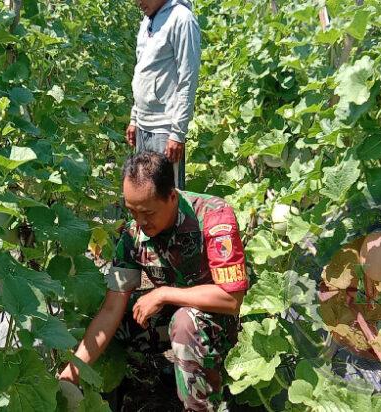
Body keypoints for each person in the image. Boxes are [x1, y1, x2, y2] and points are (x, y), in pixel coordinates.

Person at [60, 152, 248, 411]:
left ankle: (203, 403)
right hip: (174, 317)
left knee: (185, 323)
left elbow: (232, 299)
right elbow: (111, 310)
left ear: (172, 196)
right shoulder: (133, 235)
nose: (140, 221)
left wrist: (163, 294)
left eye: (147, 212)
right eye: (132, 211)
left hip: (217, 323)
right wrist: (72, 372)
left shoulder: (213, 216)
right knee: (121, 319)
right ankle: (115, 395)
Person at [125, 0, 201, 190]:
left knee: (165, 196)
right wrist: (135, 118)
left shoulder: (182, 19)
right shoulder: (147, 20)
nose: (138, 2)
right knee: (145, 190)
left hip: (165, 128)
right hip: (143, 125)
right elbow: (142, 70)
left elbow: (188, 80)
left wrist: (177, 133)